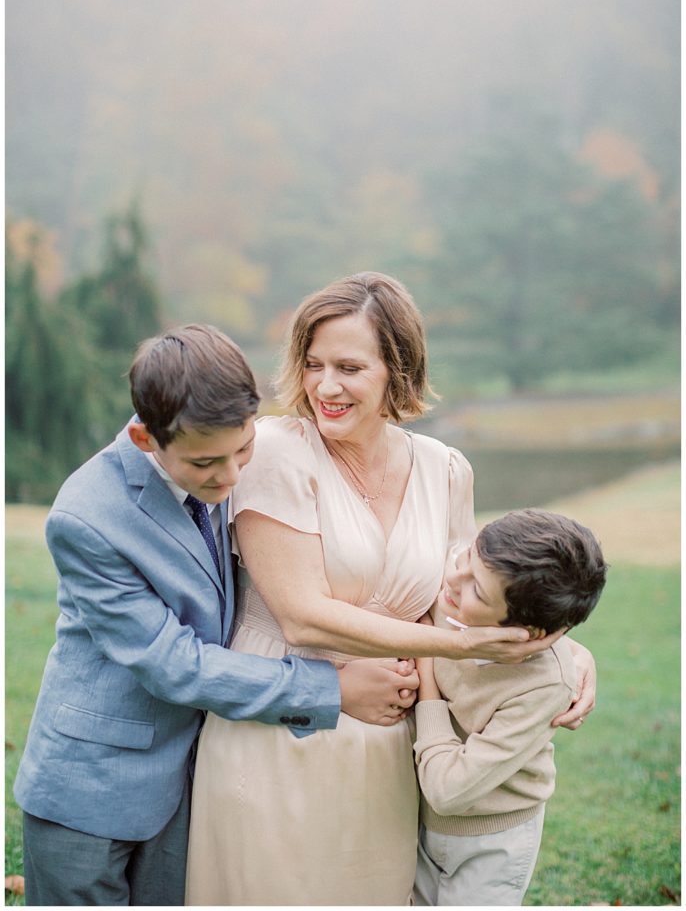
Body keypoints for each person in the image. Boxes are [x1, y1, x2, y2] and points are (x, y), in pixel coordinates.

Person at [185, 273, 597, 906]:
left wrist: (564, 652)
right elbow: (303, 618)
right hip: (281, 728)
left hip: (391, 746)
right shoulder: (276, 452)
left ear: (396, 371)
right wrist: (453, 650)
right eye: (313, 363)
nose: (325, 386)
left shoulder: (445, 468)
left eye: (350, 367)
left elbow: (463, 600)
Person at [13, 323, 417, 907]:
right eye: (207, 463)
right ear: (145, 438)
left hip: (195, 781)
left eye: (244, 450)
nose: (230, 478)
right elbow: (173, 664)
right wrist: (332, 688)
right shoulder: (86, 518)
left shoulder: (226, 457)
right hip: (92, 789)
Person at [413, 508, 608, 907]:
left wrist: (427, 688)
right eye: (466, 558)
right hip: (419, 825)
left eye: (477, 592)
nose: (452, 580)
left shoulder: (542, 686)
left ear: (526, 634)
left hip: (492, 842)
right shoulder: (454, 597)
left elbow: (448, 791)